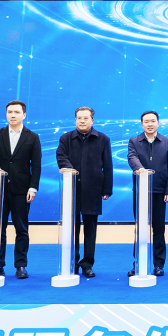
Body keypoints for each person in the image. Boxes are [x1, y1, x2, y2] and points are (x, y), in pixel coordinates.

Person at [0, 100, 43, 279]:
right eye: (10, 112)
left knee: (22, 229)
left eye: (17, 112)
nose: (13, 115)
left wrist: (33, 187)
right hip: (0, 189)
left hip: (22, 190)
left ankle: (21, 266)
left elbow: (36, 165)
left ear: (24, 115)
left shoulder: (32, 137)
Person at [55, 106, 112, 278]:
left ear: (92, 120)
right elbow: (61, 156)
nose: (82, 121)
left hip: (93, 189)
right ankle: (72, 262)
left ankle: (87, 264)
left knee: (90, 229)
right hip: (71, 189)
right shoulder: (66, 138)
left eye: (86, 118)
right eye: (79, 118)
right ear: (75, 120)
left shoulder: (103, 139)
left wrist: (107, 189)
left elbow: (108, 165)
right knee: (72, 228)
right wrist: (70, 170)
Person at [127, 110, 168, 276]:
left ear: (158, 123)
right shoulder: (134, 141)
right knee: (140, 228)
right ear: (142, 124)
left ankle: (158, 265)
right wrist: (141, 170)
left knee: (159, 229)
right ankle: (138, 263)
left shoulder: (166, 142)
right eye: (146, 121)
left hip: (160, 191)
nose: (149, 124)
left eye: (153, 121)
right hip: (140, 191)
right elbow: (132, 158)